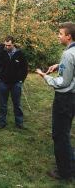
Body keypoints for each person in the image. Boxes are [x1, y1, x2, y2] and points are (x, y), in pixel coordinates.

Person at [36, 22, 75, 180]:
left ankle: (64, 172)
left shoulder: (68, 54)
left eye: (60, 33)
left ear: (68, 36)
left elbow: (63, 83)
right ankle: (71, 164)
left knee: (60, 135)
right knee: (65, 133)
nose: (58, 36)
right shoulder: (71, 52)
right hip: (73, 99)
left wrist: (45, 76)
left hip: (65, 100)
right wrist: (60, 66)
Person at [0, 35, 28, 129]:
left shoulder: (20, 54)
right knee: (3, 104)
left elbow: (25, 68)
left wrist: (21, 80)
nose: (6, 47)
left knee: (17, 104)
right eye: (5, 45)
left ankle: (19, 123)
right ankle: (2, 123)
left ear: (13, 44)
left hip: (16, 83)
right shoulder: (1, 53)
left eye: (9, 45)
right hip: (3, 83)